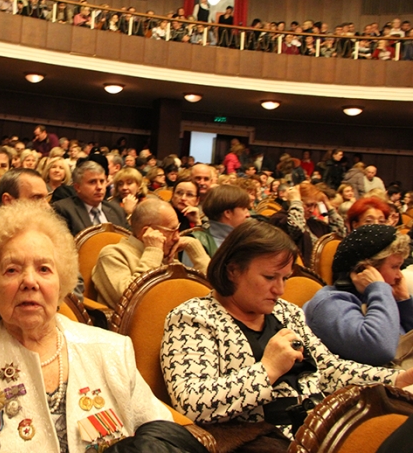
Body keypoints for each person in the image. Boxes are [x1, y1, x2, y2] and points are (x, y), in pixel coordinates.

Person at [0, 201, 178, 452]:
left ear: (61, 281)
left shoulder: (110, 349)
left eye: (44, 269)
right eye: (12, 270)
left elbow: (157, 428)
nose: (29, 281)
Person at [162, 221, 413, 446]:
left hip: (321, 426)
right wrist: (267, 369)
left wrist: (395, 380)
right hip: (263, 439)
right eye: (270, 277)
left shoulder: (286, 312)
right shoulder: (193, 318)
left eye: (285, 278)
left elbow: (328, 370)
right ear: (233, 270)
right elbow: (192, 404)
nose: (280, 289)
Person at [304, 225, 413, 366]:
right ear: (365, 269)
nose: (399, 275)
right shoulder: (329, 304)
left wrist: (403, 300)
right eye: (394, 267)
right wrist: (378, 288)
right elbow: (382, 350)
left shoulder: (379, 297)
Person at [92, 198, 209, 308]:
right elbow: (130, 301)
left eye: (178, 229)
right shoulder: (113, 255)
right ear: (147, 232)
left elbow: (210, 292)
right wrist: (153, 251)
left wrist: (194, 248)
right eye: (172, 231)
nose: (177, 237)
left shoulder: (165, 256)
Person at [270, 183, 347, 268]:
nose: (312, 210)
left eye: (315, 205)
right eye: (308, 205)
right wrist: (295, 201)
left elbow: (339, 235)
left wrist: (327, 204)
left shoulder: (313, 223)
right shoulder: (280, 219)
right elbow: (296, 228)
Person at [182, 184, 251, 269]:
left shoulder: (245, 238)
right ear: (228, 213)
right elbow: (190, 281)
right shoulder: (197, 243)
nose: (248, 214)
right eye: (244, 209)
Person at [52, 161, 129, 236]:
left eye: (102, 181)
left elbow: (130, 239)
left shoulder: (116, 209)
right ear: (77, 187)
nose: (99, 187)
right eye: (92, 182)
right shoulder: (63, 210)